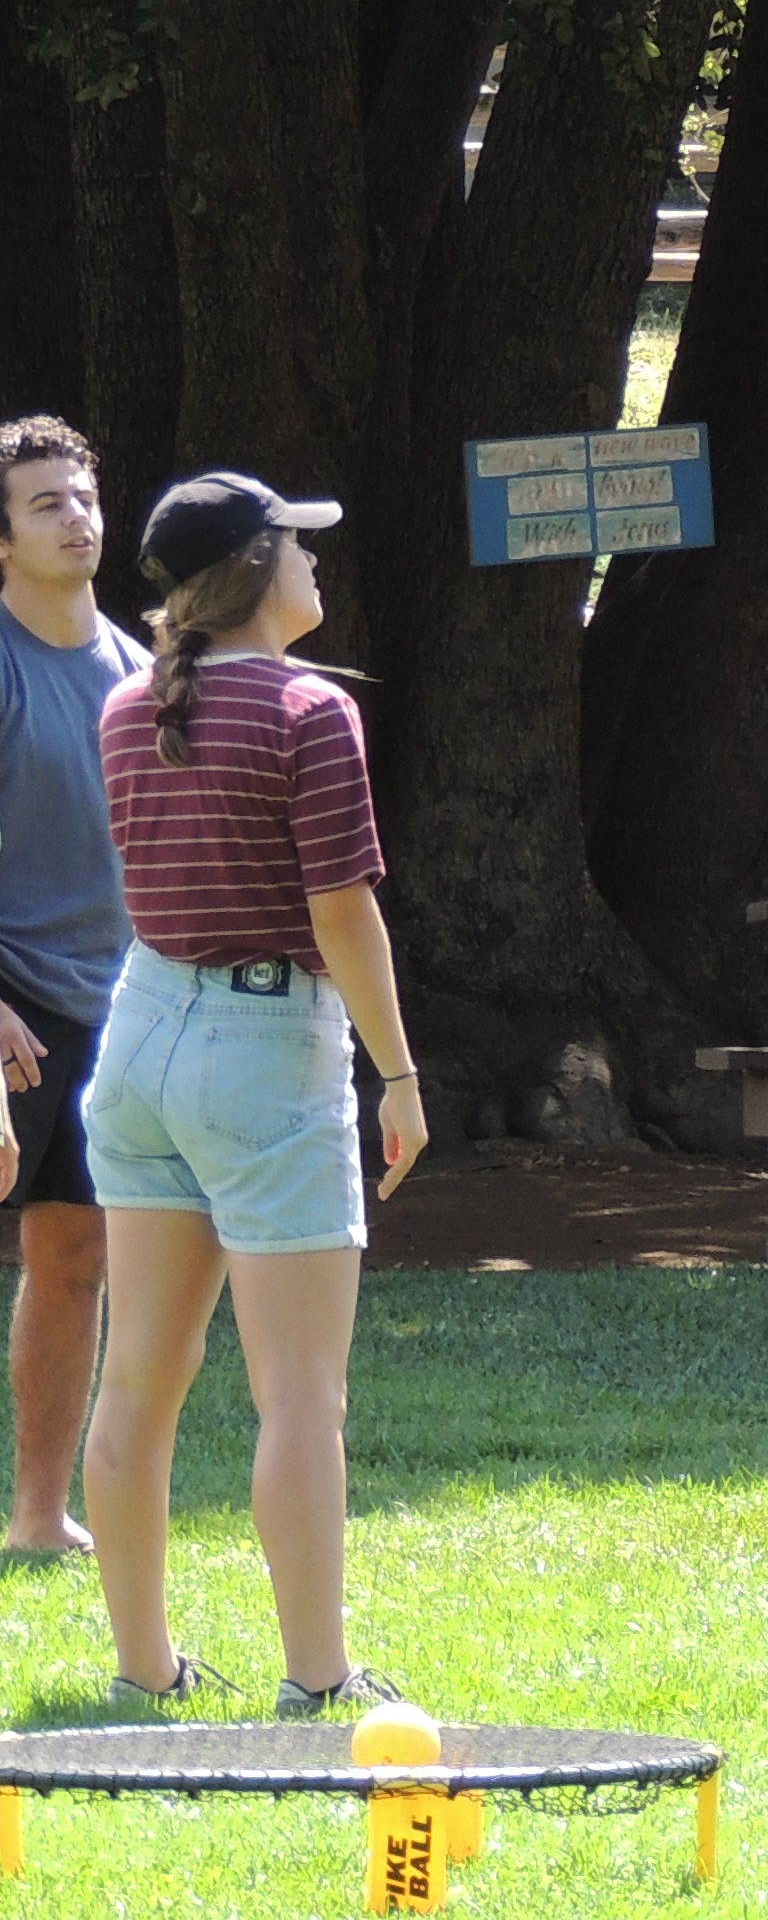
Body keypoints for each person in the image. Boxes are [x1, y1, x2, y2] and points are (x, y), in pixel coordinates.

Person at [79, 473, 428, 1712]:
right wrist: (398, 1071)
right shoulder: (306, 711)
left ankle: (141, 1673)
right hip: (261, 1049)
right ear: (251, 568)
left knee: (135, 1383)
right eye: (297, 546)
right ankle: (320, 1684)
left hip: (139, 1041)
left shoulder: (129, 704)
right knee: (300, 1395)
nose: (317, 566)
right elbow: (343, 914)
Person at [1, 419, 143, 1557]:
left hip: (113, 1010)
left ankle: (39, 1521)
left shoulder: (143, 673)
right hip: (7, 1004)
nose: (75, 516)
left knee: (76, 1257)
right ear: (2, 536)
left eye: (83, 496)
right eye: (45, 501)